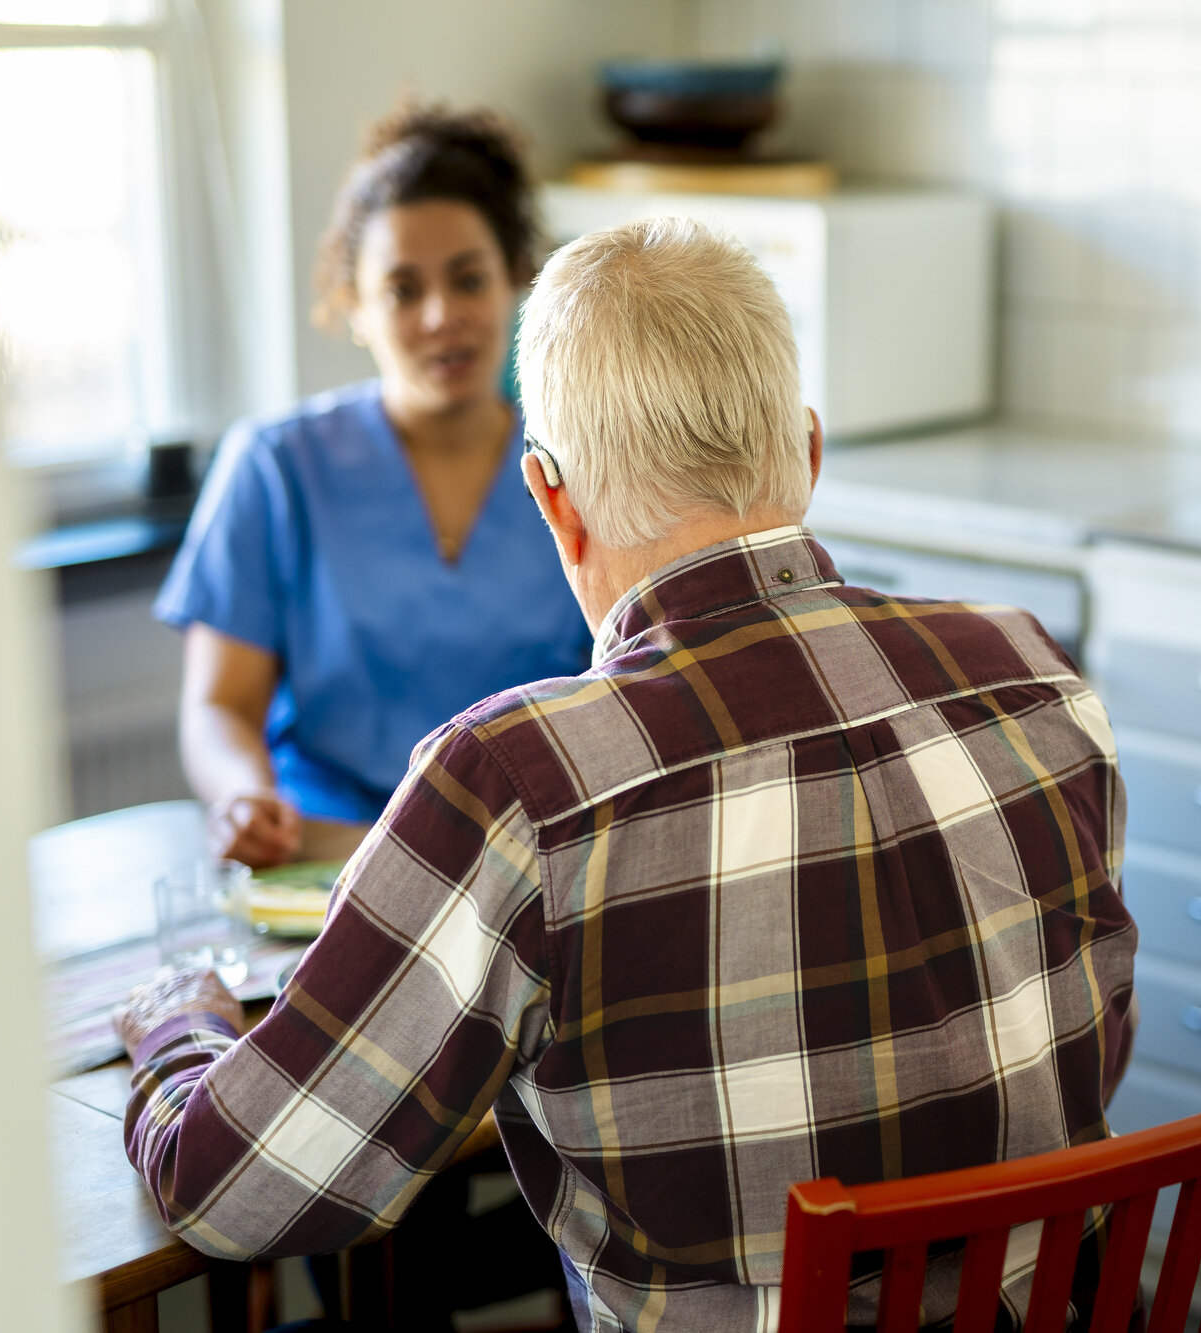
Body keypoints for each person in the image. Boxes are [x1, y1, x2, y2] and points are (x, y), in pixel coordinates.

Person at [118, 218, 1136, 1331]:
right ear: (804, 453)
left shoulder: (513, 781)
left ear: (549, 497)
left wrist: (183, 1023)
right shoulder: (1036, 674)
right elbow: (1090, 1050)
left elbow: (233, 1192)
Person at [156, 103, 592, 869]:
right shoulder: (274, 468)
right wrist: (239, 795)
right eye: (401, 289)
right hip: (326, 863)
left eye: (468, 279)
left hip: (528, 875)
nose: (441, 316)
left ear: (515, 280)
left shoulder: (585, 462)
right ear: (354, 306)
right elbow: (221, 704)